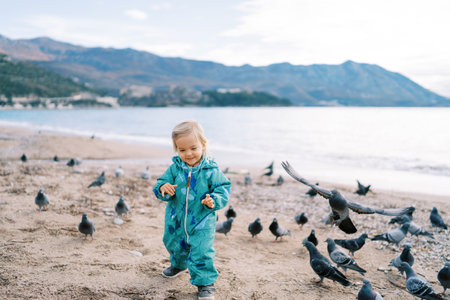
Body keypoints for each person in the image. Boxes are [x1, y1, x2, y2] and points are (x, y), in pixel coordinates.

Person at [153, 120, 231, 300]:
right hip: (176, 219)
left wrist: (214, 200)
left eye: (193, 148)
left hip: (202, 220)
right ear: (177, 150)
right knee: (174, 244)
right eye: (182, 150)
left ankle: (205, 283)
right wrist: (163, 188)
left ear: (203, 145)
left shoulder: (211, 170)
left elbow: (223, 188)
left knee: (201, 250)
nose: (188, 154)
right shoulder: (175, 168)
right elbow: (159, 184)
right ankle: (179, 265)